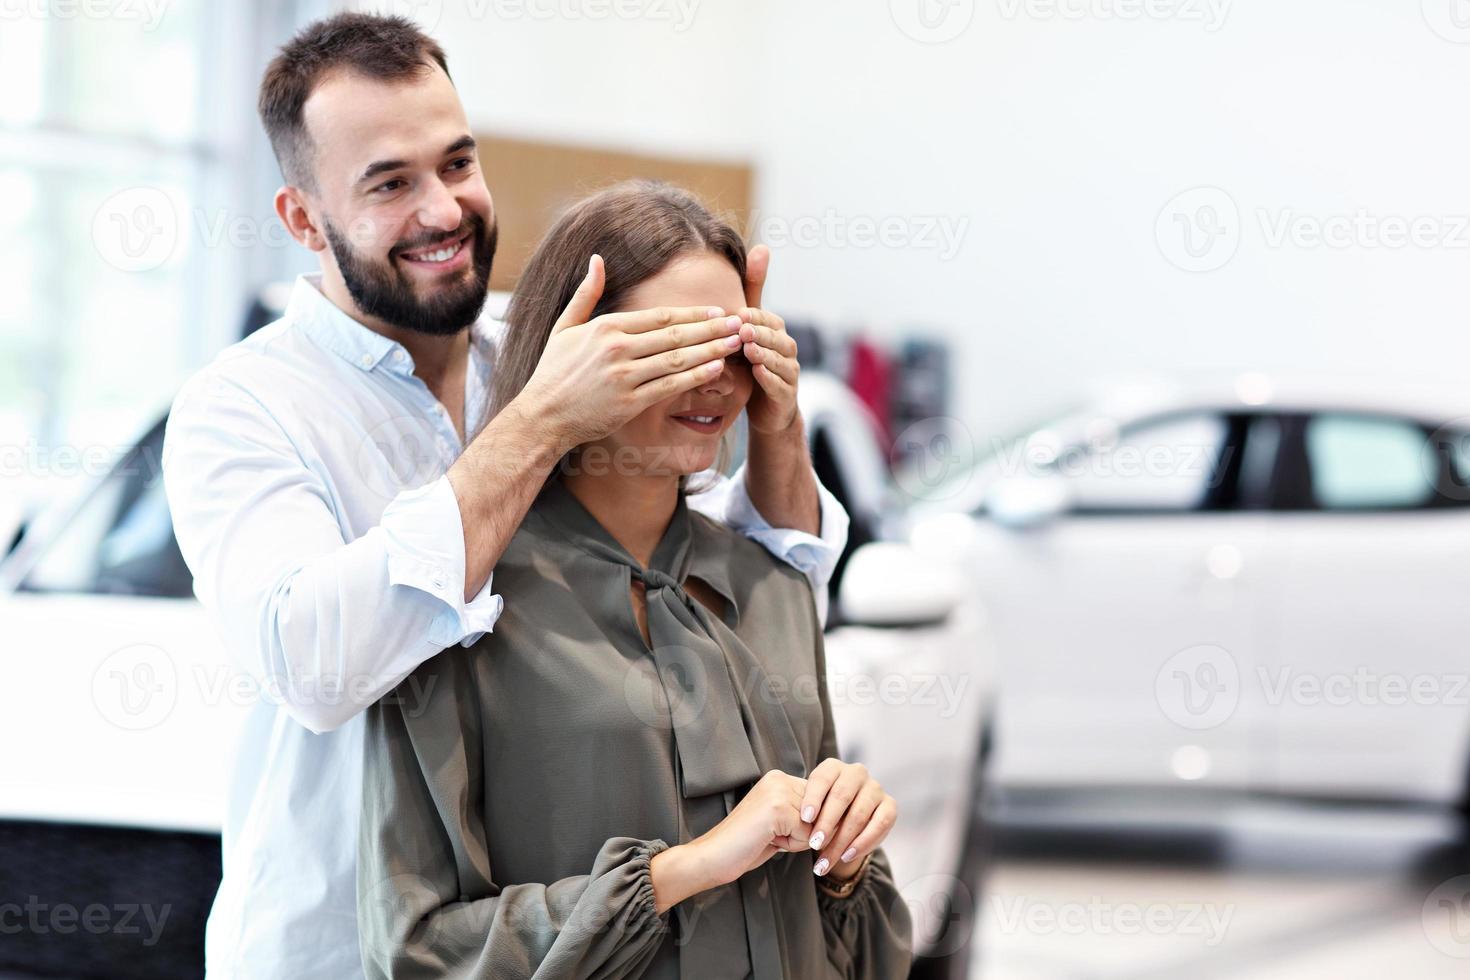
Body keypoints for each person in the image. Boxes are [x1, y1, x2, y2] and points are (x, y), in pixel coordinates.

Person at [161, 14, 848, 979]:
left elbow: (731, 572)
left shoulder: (538, 344)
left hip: (548, 933)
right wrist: (542, 419)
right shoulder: (241, 409)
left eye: (458, 163)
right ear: (304, 220)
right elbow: (312, 667)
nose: (444, 209)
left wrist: (773, 422)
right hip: (336, 943)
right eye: (390, 183)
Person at [357, 181, 912, 979]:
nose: (714, 378)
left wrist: (849, 857)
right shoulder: (460, 604)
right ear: (575, 350)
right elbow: (416, 946)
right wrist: (687, 870)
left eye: (731, 344)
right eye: (670, 344)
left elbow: (864, 950)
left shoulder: (771, 588)